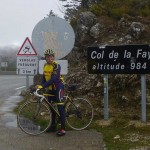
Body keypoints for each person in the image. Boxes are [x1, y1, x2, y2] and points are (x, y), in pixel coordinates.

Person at [40, 49, 66, 136]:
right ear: (45, 58)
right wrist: (40, 86)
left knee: (60, 108)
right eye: (47, 57)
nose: (49, 58)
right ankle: (53, 126)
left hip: (58, 88)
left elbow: (54, 79)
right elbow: (44, 78)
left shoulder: (56, 66)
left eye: (51, 57)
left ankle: (63, 129)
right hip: (51, 89)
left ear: (53, 57)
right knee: (51, 108)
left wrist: (43, 86)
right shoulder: (45, 66)